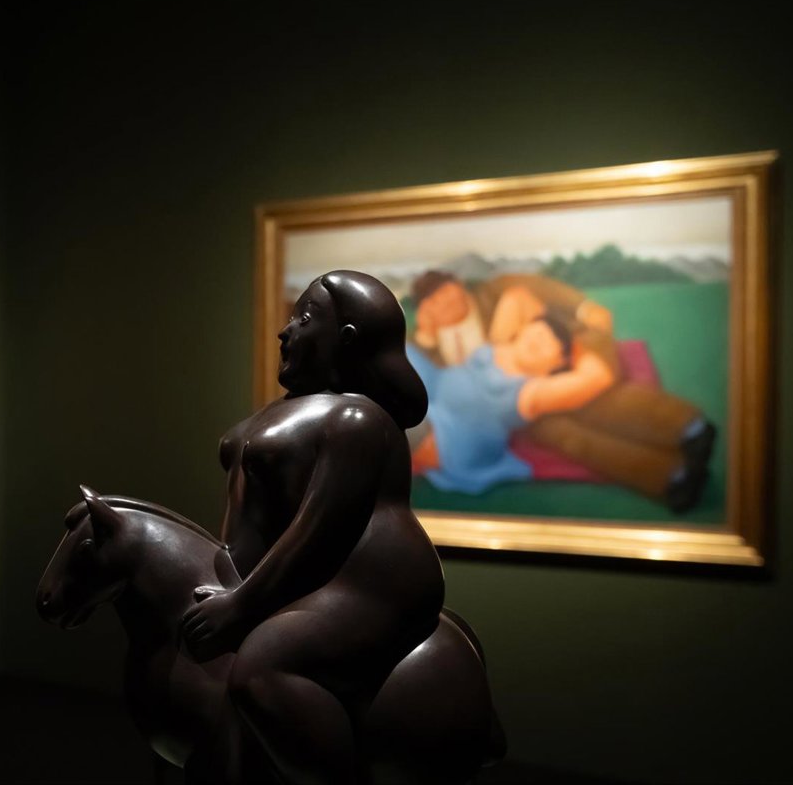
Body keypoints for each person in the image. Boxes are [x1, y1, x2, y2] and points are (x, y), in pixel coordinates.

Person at [182, 270, 443, 784]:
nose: (285, 330)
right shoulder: (288, 411)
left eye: (304, 318)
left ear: (345, 337)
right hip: (293, 577)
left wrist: (240, 605)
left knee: (262, 667)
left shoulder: (357, 420)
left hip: (367, 583)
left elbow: (318, 531)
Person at [410, 270, 716, 511]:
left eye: (445, 294)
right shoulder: (480, 344)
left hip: (563, 356)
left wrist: (580, 321)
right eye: (432, 303)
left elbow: (531, 299)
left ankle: (684, 438)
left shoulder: (501, 309)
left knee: (582, 414)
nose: (442, 304)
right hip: (458, 399)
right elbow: (430, 371)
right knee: (564, 432)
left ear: (458, 285)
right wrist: (426, 337)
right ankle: (674, 466)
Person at [408, 314, 614, 494]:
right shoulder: (502, 344)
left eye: (551, 344)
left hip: (454, 434)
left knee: (400, 420)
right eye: (540, 332)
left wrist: (585, 341)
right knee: (396, 349)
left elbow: (598, 377)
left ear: (559, 362)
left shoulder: (533, 391)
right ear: (524, 329)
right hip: (436, 386)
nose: (540, 340)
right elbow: (518, 297)